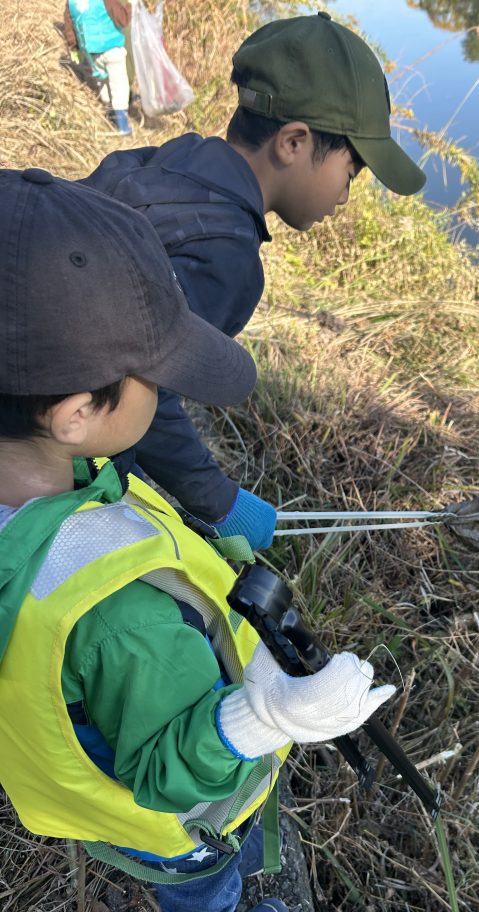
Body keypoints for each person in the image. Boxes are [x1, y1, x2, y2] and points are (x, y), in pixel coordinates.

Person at [0, 168, 395, 912]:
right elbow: (171, 777)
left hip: (62, 760)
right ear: (75, 411)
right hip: (165, 824)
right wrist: (272, 719)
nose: (165, 392)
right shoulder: (121, 617)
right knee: (204, 893)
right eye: (155, 375)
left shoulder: (46, 486)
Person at [80, 11, 427, 556]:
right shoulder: (225, 256)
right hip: (52, 459)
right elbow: (135, 394)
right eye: (351, 172)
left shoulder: (171, 160)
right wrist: (218, 502)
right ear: (293, 142)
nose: (345, 195)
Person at [64, 0, 133, 135]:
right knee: (119, 85)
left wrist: (74, 48)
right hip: (112, 47)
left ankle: (110, 111)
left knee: (102, 80)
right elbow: (122, 20)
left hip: (91, 51)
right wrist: (130, 6)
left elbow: (69, 29)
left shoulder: (71, 3)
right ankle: (122, 125)